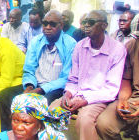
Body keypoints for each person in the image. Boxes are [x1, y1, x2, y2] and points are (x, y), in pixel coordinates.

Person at [49, 10, 127, 140]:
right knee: (53, 109)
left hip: (100, 98)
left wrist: (85, 101)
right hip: (77, 95)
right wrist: (67, 94)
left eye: (91, 22)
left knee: (84, 118)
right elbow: (73, 79)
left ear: (104, 25)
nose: (86, 26)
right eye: (85, 22)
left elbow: (111, 89)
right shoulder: (80, 46)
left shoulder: (117, 49)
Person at [0, 10, 76, 131]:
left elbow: (67, 77)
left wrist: (39, 90)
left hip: (56, 88)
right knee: (5, 95)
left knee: (39, 102)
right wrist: (29, 87)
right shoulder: (37, 41)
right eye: (45, 23)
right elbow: (29, 68)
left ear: (61, 25)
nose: (48, 27)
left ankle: (37, 135)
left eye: (53, 24)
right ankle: (10, 134)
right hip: (36, 84)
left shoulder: (70, 44)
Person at [96, 11, 139, 140]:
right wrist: (122, 100)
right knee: (104, 123)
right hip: (135, 99)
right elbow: (126, 79)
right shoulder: (132, 45)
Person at [0, 93, 71, 140]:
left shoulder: (54, 138)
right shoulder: (2, 138)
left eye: (26, 123)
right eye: (15, 120)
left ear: (40, 125)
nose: (19, 128)